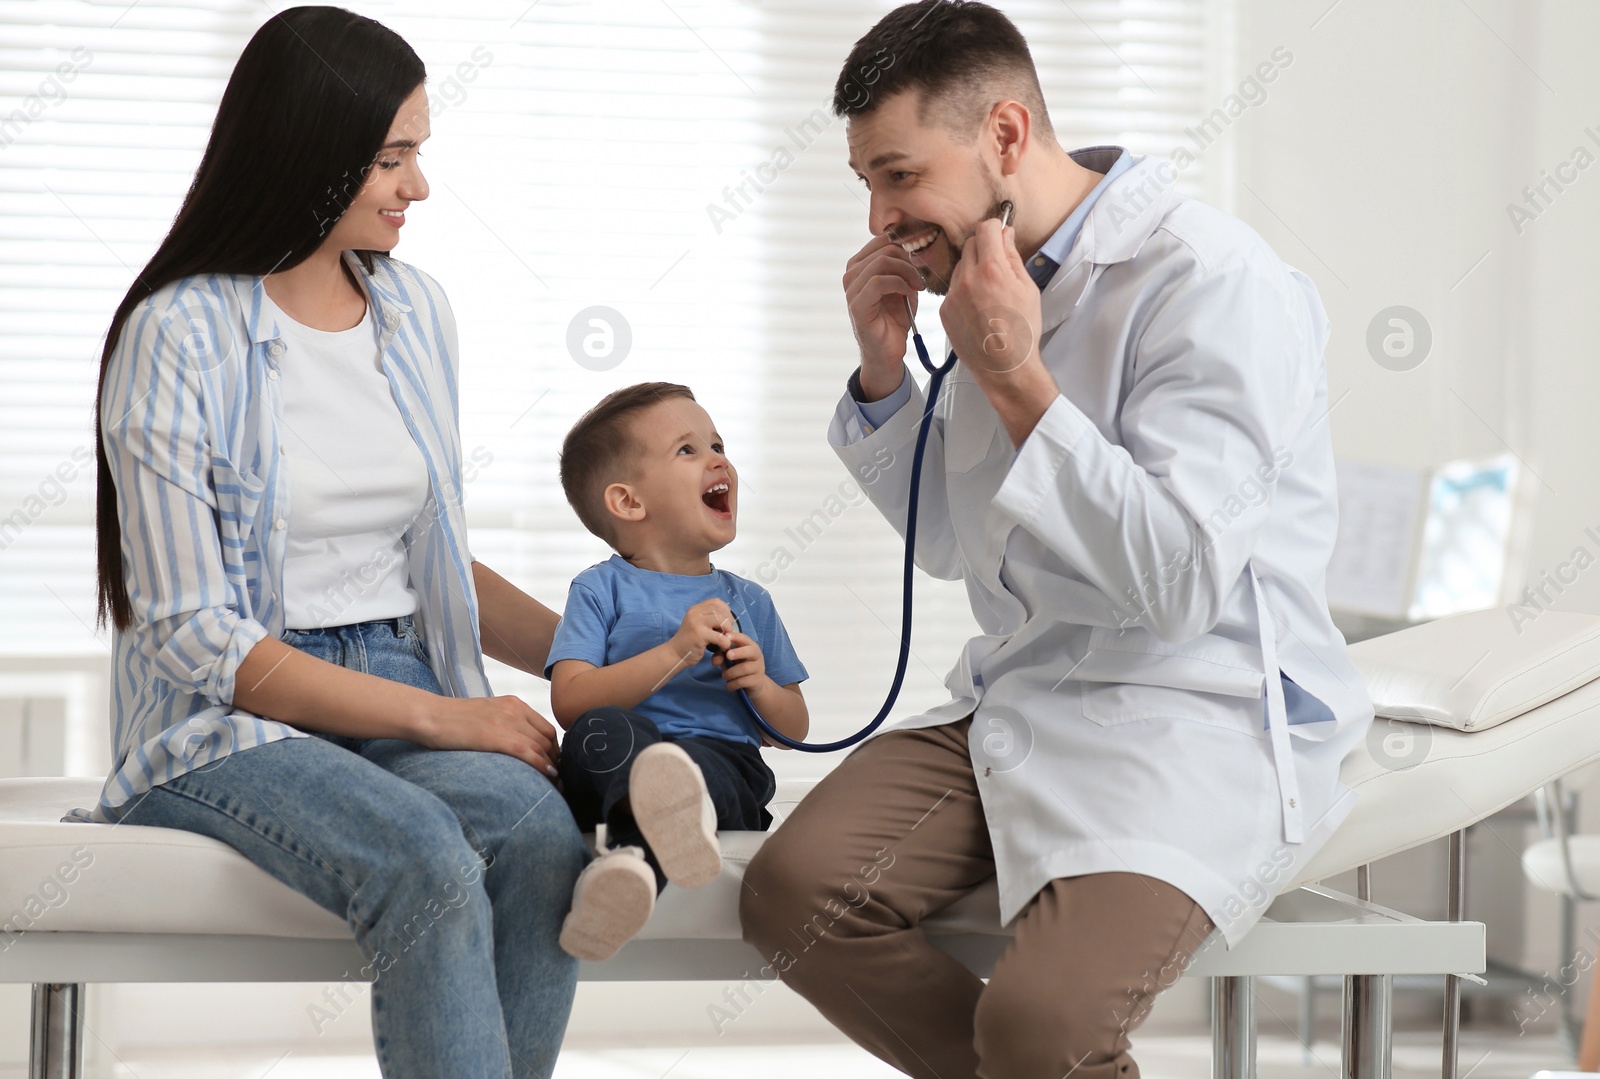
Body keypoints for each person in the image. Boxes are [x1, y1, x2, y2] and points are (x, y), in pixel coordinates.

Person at [739, 3, 1377, 1078]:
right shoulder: (1002, 275)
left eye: (898, 176)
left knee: (1037, 1024)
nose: (881, 218)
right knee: (794, 892)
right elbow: (952, 542)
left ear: (1000, 134)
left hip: (1191, 711)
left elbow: (1177, 585)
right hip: (1027, 690)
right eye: (866, 184)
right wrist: (887, 376)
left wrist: (1015, 375)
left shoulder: (1212, 284)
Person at [75, 8, 586, 1077]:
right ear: (310, 147)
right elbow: (189, 632)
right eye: (393, 157)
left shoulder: (414, 313)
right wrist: (448, 714)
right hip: (230, 717)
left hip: (399, 669)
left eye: (418, 154)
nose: (419, 187)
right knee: (425, 858)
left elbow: (431, 557)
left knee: (543, 839)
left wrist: (602, 658)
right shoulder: (178, 331)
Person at [546, 382, 809, 960]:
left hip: (722, 763)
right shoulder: (599, 588)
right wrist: (674, 652)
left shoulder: (751, 601)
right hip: (620, 771)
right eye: (687, 450)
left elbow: (791, 728)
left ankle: (631, 876)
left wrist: (760, 684)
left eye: (718, 443)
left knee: (706, 769)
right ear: (629, 502)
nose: (719, 458)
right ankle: (667, 827)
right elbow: (570, 700)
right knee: (598, 733)